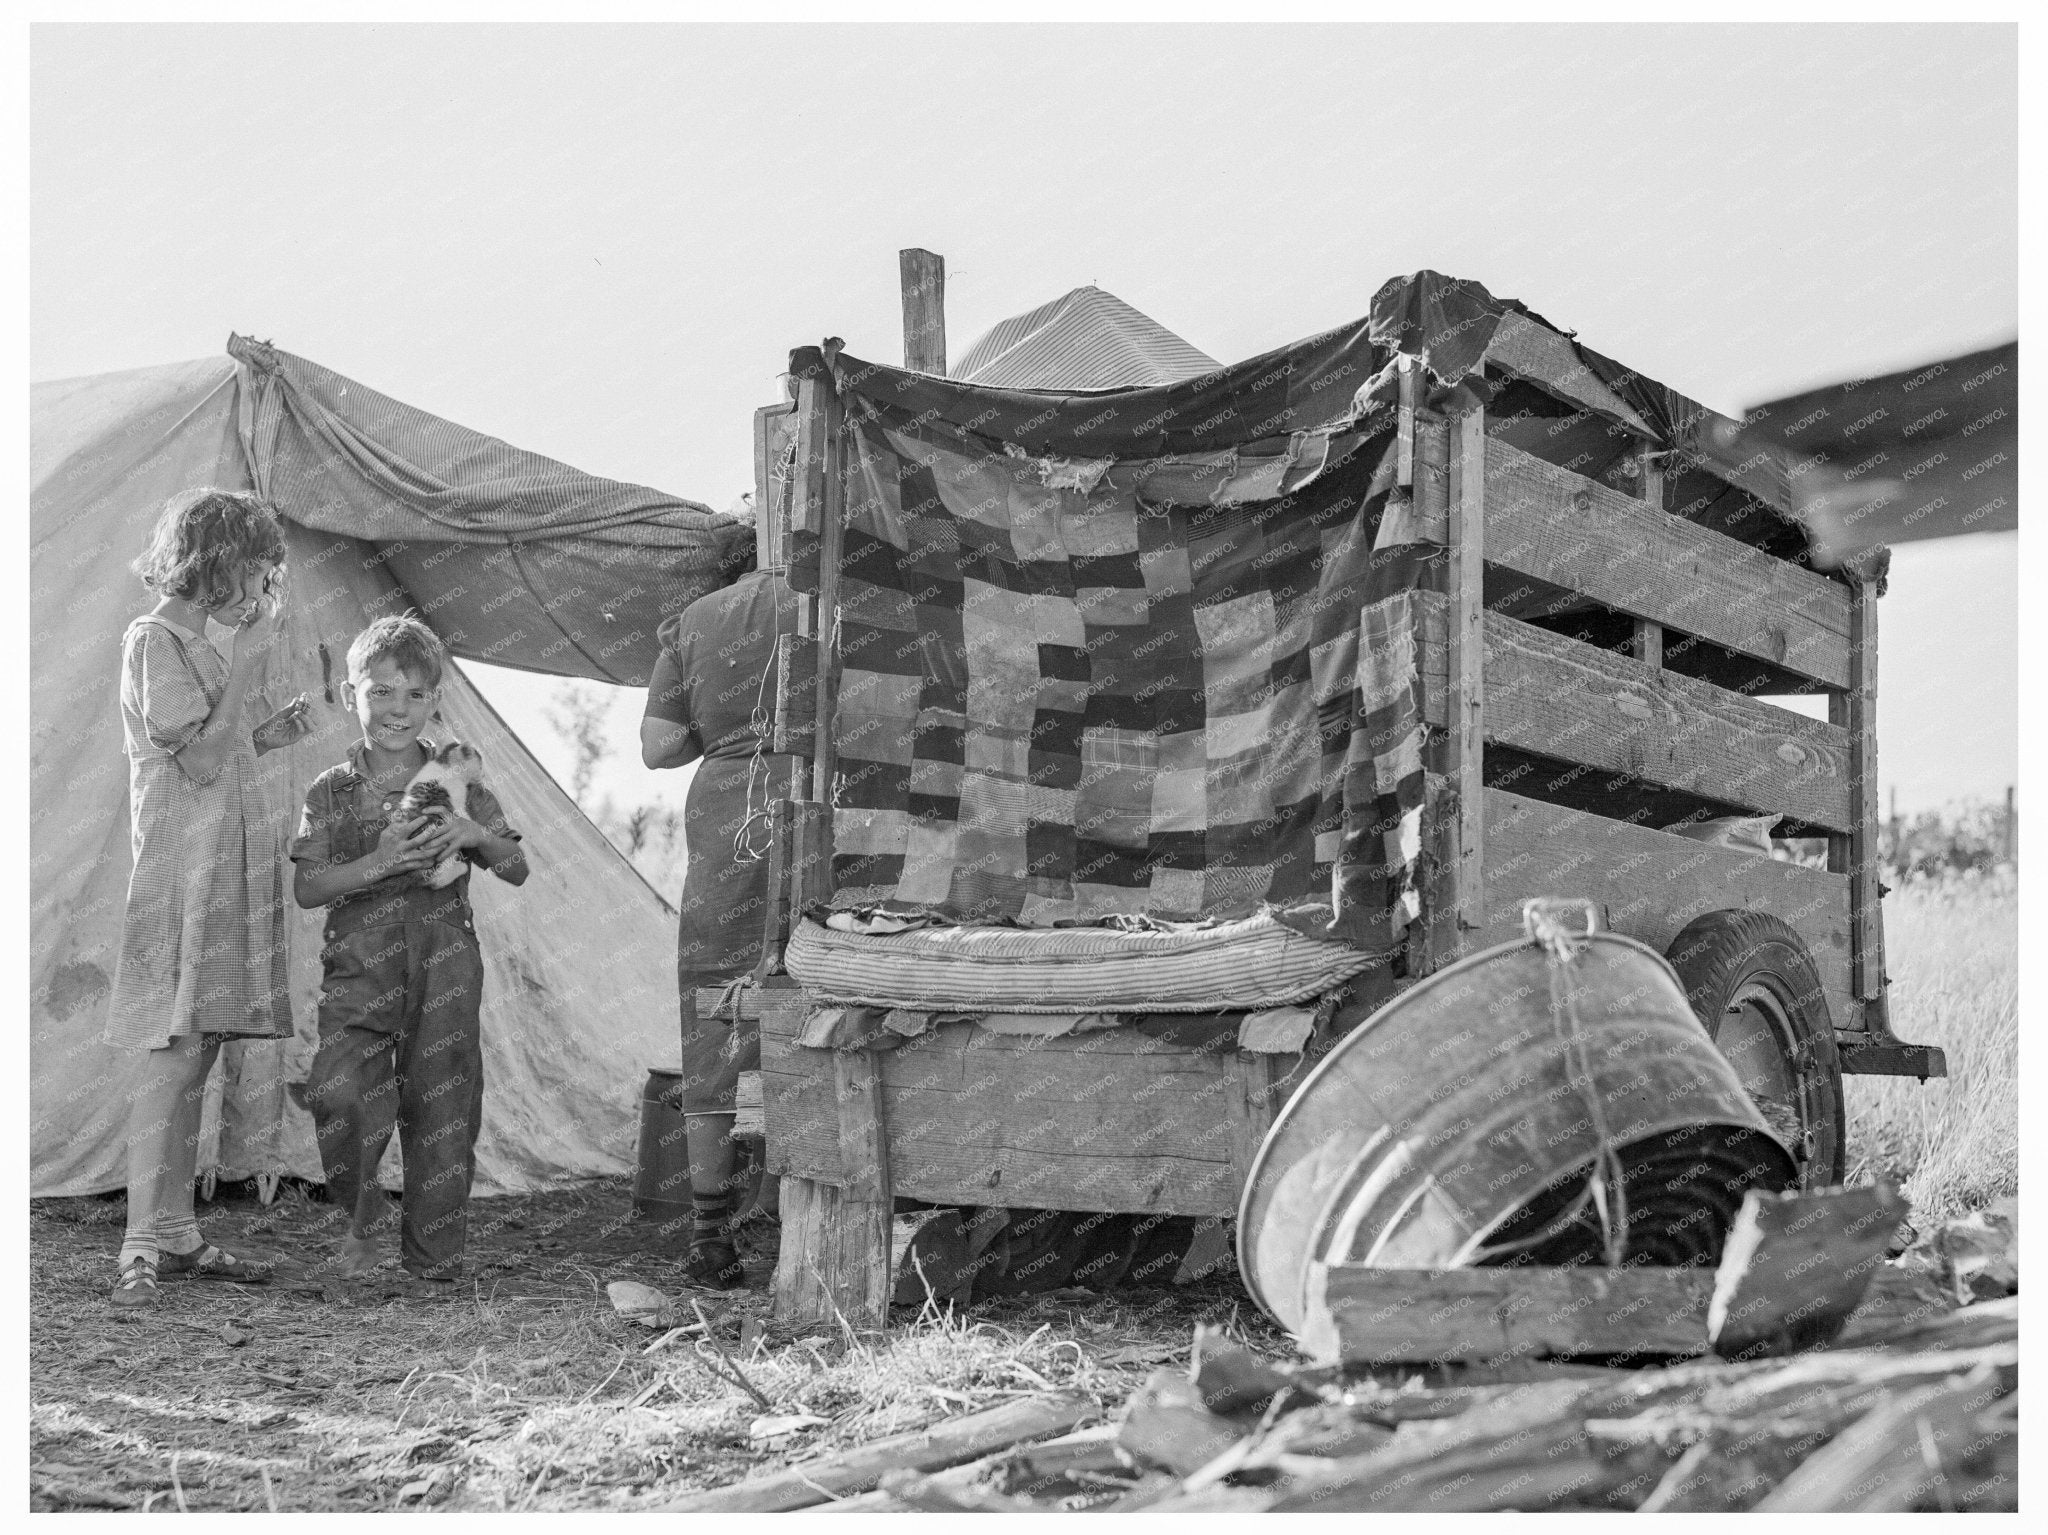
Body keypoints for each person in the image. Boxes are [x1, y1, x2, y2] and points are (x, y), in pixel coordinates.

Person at [108, 488, 314, 1310]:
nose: (260, 592)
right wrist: (254, 659)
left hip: (217, 868)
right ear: (218, 561)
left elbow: (214, 750)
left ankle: (177, 1232)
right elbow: (192, 766)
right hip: (180, 876)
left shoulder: (197, 644)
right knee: (171, 1056)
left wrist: (267, 734)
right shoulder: (154, 639)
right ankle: (136, 1245)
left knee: (200, 1049)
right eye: (257, 572)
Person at [292, 616, 528, 1285]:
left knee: (443, 1100)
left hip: (445, 958)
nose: (398, 708)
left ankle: (433, 1260)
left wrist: (471, 833)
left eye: (415, 695)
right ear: (349, 693)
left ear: (434, 702)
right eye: (382, 692)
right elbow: (309, 887)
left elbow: (515, 866)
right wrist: (380, 859)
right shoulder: (330, 790)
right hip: (359, 966)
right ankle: (362, 1220)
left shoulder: (456, 777)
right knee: (337, 1089)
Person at [641, 547, 800, 1288]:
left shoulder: (692, 623)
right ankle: (796, 1215)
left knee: (715, 1015)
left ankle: (710, 1235)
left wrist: (723, 726)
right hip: (821, 806)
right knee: (815, 996)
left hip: (729, 819)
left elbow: (658, 746)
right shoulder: (832, 597)